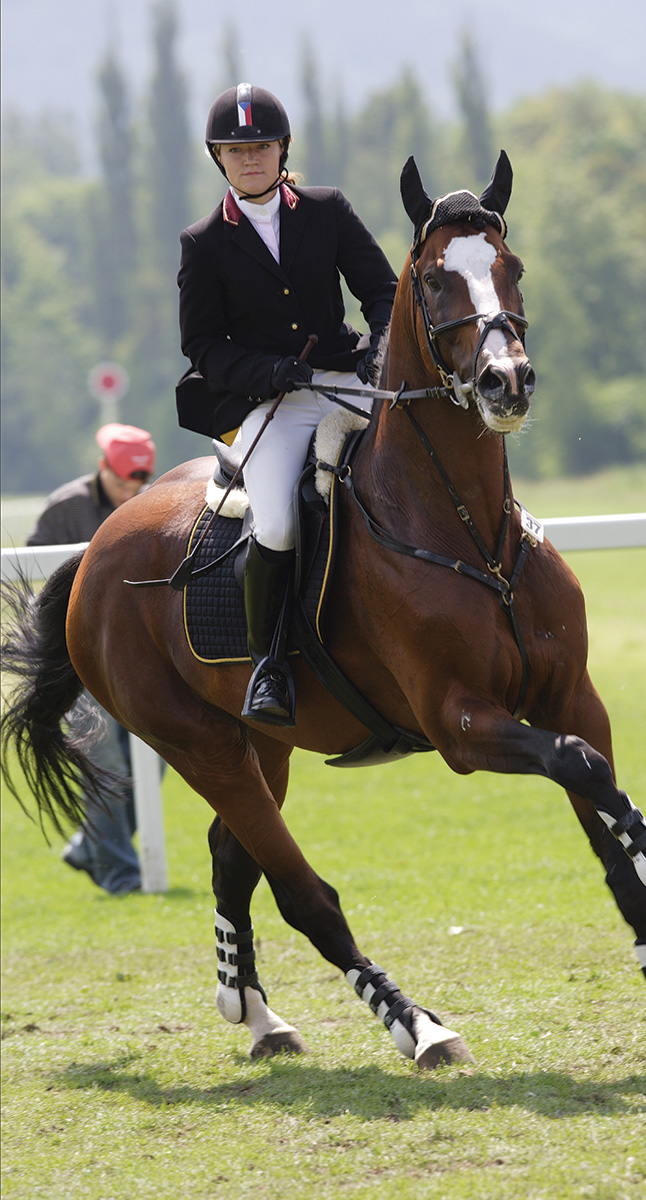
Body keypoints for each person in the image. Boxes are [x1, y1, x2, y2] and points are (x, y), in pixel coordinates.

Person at [176, 82, 397, 726]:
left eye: (263, 145)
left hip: (346, 378)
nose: (252, 158)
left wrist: (379, 353)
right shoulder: (204, 242)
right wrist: (269, 370)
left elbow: (382, 292)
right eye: (237, 148)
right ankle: (268, 663)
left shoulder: (327, 209)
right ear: (218, 156)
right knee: (274, 523)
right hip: (268, 402)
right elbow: (202, 345)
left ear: (283, 148)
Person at [27, 423, 156, 895]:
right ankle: (121, 874)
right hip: (76, 655)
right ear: (103, 468)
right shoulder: (66, 507)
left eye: (138, 483)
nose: (131, 492)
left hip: (138, 655)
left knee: (160, 751)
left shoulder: (147, 503)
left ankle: (90, 846)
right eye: (123, 481)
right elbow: (37, 578)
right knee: (102, 751)